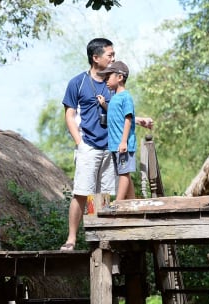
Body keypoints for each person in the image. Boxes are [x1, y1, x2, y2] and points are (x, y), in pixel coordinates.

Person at [60, 39, 154, 250]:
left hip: (112, 146)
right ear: (96, 57)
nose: (113, 58)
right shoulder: (78, 82)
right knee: (81, 192)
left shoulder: (113, 82)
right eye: (109, 55)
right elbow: (69, 115)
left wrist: (139, 120)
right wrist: (80, 142)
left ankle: (101, 237)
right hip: (89, 146)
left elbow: (121, 112)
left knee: (104, 195)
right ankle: (72, 238)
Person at [105, 60, 137, 201]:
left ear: (119, 77)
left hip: (122, 144)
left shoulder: (126, 97)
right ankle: (132, 201)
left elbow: (128, 118)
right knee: (123, 173)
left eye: (108, 76)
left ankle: (118, 202)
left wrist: (124, 142)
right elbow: (113, 113)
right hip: (115, 144)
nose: (106, 80)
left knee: (123, 173)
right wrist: (104, 105)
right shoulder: (114, 98)